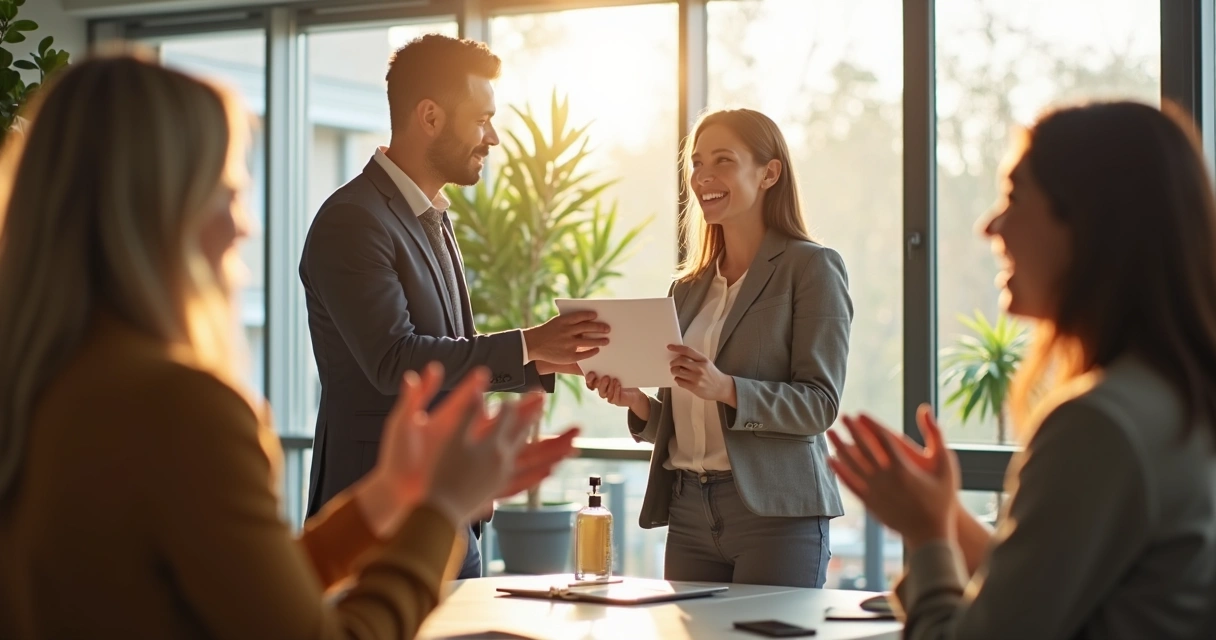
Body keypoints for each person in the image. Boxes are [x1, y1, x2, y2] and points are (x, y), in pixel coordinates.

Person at [0, 49, 579, 639]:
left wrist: (386, 494)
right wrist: (437, 511)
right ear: (151, 209)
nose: (244, 226)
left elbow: (249, 593)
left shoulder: (47, 389)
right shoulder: (184, 411)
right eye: (226, 191)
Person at [830, 101, 1216, 639]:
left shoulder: (1099, 425)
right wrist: (945, 516)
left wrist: (924, 535)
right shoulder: (1176, 402)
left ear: (1086, 218)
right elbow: (1037, 591)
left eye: (1014, 196)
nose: (990, 225)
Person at [299, 33, 607, 579]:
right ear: (430, 117)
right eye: (482, 119)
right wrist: (527, 343)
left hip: (448, 514)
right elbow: (395, 361)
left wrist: (537, 361)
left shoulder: (432, 216)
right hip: (375, 516)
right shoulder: (353, 221)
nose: (492, 137)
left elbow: (445, 355)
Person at [585, 108, 853, 588]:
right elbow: (684, 414)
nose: (703, 177)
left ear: (769, 172)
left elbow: (819, 404)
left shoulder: (810, 268)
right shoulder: (686, 289)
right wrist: (639, 404)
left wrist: (726, 387)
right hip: (688, 511)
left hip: (775, 514)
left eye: (723, 161)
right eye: (697, 163)